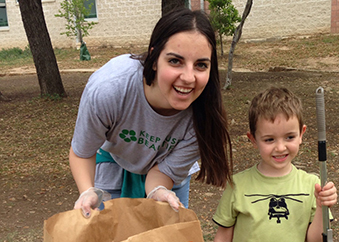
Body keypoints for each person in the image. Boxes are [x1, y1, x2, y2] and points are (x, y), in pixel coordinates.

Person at [70, 8, 232, 217]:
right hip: (114, 158)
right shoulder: (109, 89)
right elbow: (82, 152)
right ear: (154, 58)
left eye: (201, 65)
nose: (189, 77)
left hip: (164, 170)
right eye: (175, 61)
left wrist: (159, 191)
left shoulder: (204, 119)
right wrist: (86, 191)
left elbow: (161, 173)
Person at [212, 87, 338, 242]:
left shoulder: (313, 186)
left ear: (301, 134)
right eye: (269, 139)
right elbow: (223, 237)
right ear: (253, 139)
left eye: (289, 137)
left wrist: (321, 207)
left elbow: (316, 240)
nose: (280, 147)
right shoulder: (237, 185)